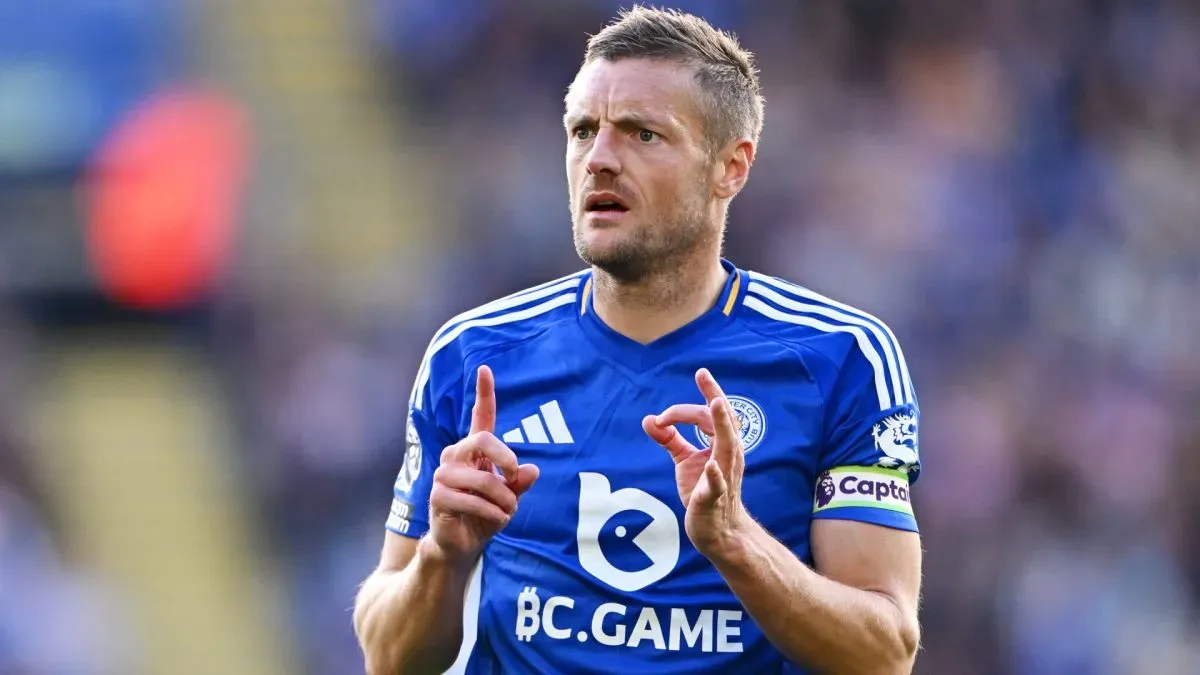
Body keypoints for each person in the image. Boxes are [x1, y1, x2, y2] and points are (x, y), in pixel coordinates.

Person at [353, 6, 923, 674]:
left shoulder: (841, 358)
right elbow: (388, 653)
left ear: (730, 168)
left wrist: (735, 542)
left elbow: (883, 652)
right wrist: (442, 556)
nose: (598, 160)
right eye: (583, 131)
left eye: (642, 134)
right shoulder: (473, 356)